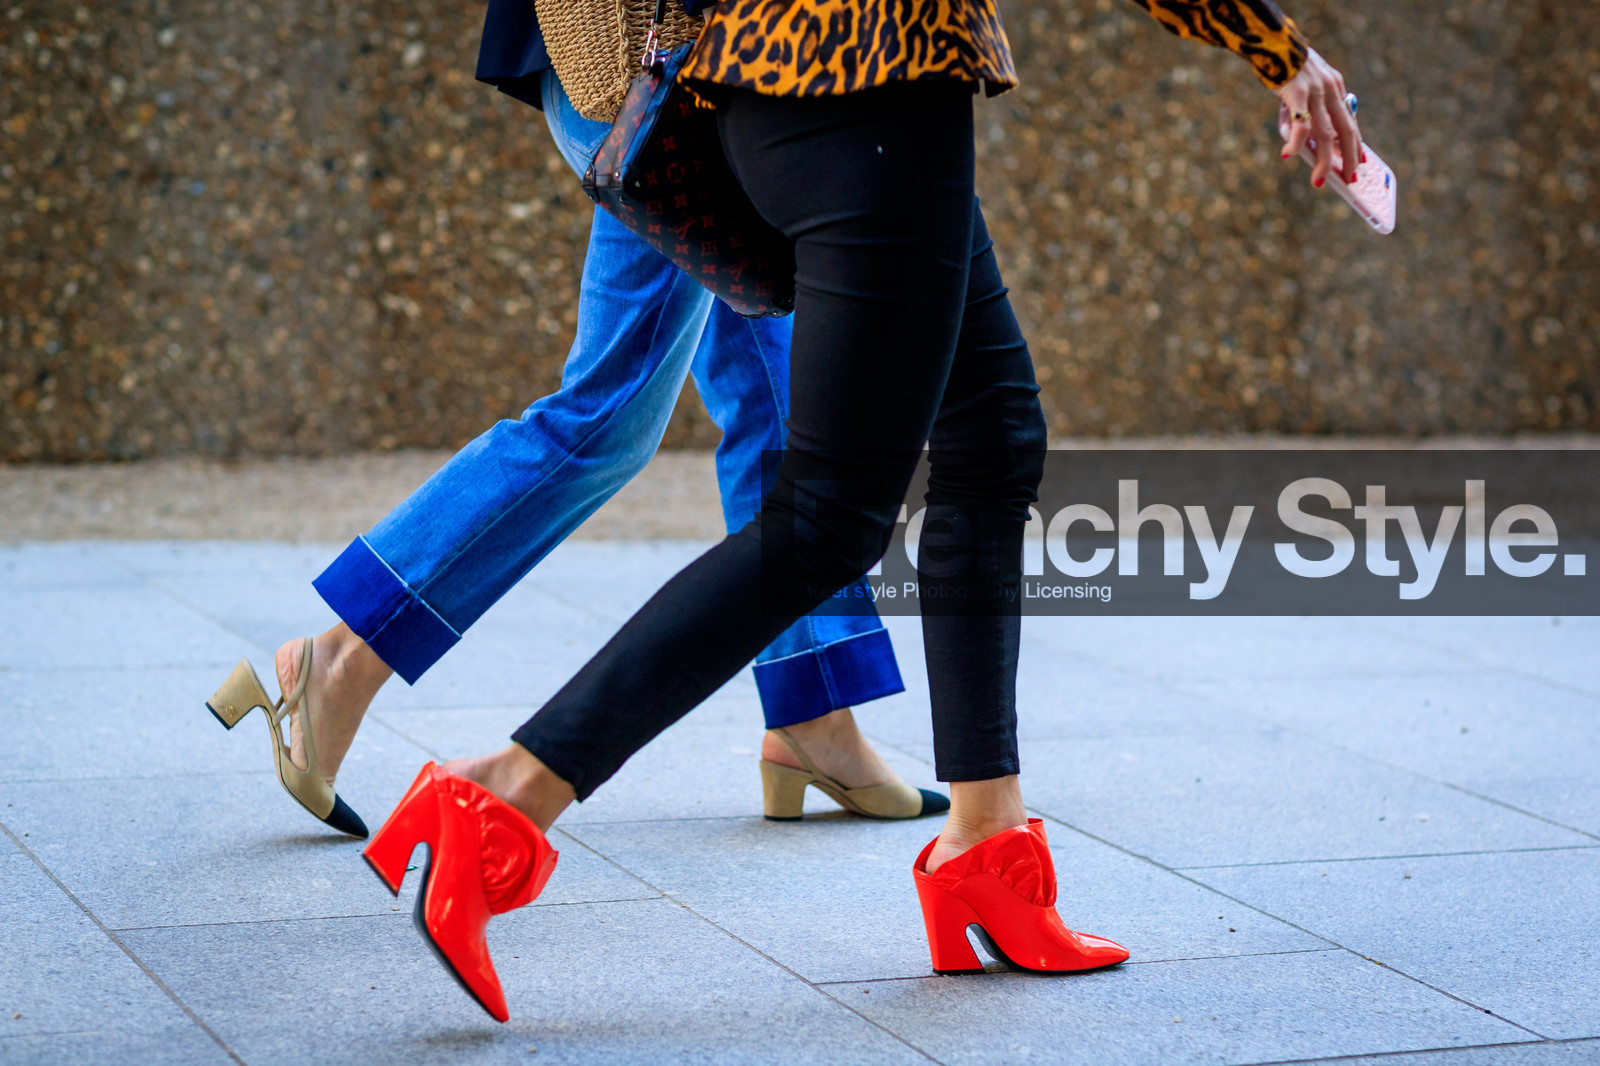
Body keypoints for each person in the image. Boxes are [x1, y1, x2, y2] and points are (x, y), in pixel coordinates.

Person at [365, 0, 1362, 1024]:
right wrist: (1276, 49)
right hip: (870, 84)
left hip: (793, 89)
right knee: (828, 517)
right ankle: (505, 796)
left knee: (992, 438)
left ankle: (988, 843)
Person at [202, 12, 961, 837]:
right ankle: (342, 657)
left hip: (687, 62)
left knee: (766, 383)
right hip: (656, 66)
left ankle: (814, 710)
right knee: (609, 413)